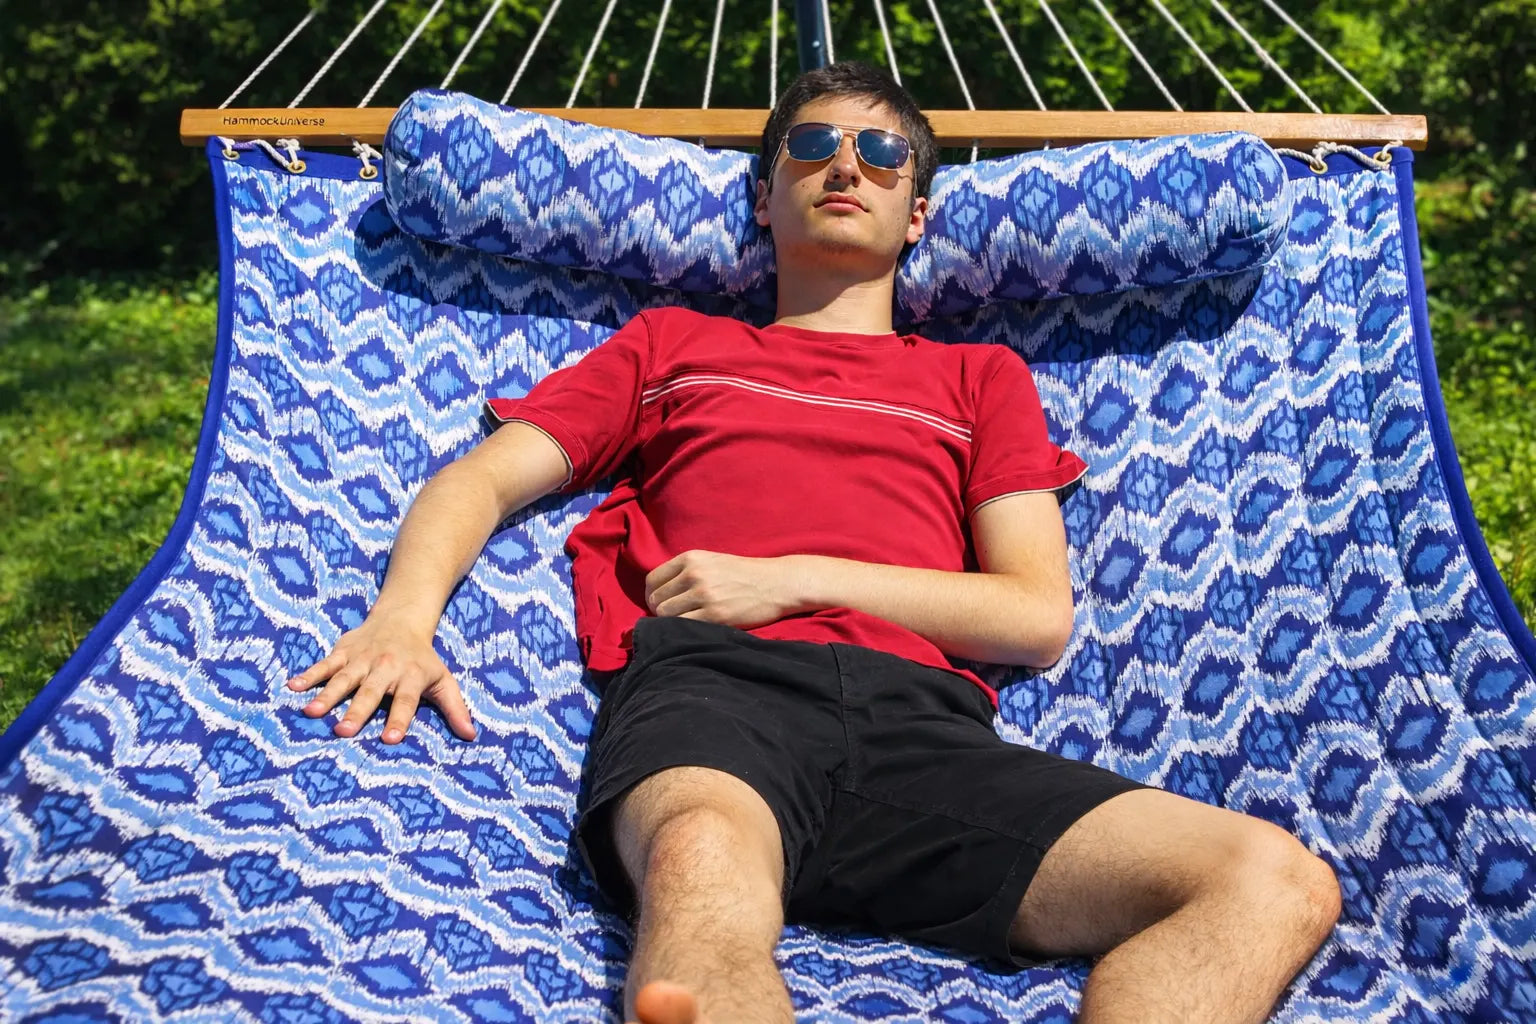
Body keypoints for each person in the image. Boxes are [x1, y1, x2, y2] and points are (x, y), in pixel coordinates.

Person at [287, 61, 1341, 1024]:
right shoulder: (673, 344)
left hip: (927, 733)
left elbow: (1035, 615)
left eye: (883, 154)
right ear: (762, 196)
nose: (847, 164)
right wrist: (402, 618)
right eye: (811, 147)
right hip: (715, 695)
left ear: (918, 211)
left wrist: (790, 578)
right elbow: (483, 476)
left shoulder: (978, 380)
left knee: (1272, 880)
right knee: (700, 860)